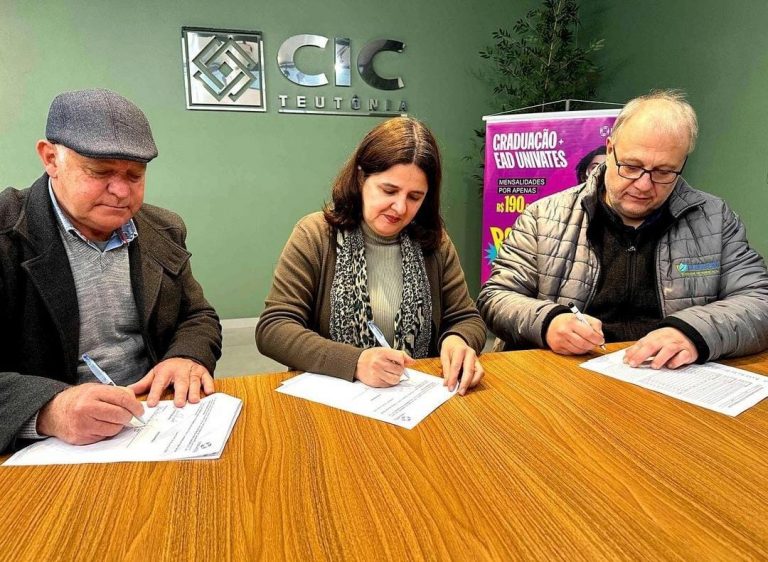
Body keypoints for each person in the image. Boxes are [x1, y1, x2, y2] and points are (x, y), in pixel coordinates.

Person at [478, 90, 768, 369]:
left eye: (663, 172)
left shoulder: (714, 219)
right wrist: (549, 322)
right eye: (631, 166)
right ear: (609, 150)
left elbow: (759, 301)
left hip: (669, 376)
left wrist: (693, 332)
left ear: (682, 165)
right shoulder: (543, 217)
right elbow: (496, 297)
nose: (643, 185)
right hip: (568, 374)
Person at [0, 89, 222, 452]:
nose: (120, 191)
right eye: (99, 172)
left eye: (135, 175)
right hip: (44, 447)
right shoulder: (5, 233)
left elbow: (196, 315)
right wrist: (48, 409)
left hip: (154, 422)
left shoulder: (164, 229)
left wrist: (187, 356)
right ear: (51, 158)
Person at [256, 117, 486, 393]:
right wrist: (354, 361)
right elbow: (274, 328)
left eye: (414, 197)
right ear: (360, 178)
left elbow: (467, 319)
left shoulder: (435, 243)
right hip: (331, 396)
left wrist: (458, 340)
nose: (400, 208)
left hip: (413, 397)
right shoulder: (315, 234)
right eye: (389, 190)